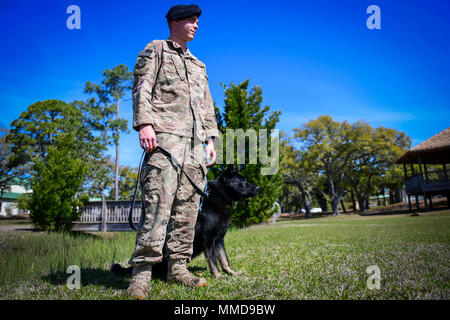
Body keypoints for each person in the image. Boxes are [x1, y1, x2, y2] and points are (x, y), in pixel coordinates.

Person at [126, 4, 220, 299]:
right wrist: (145, 124)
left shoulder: (199, 65)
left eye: (197, 21)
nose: (196, 25)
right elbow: (141, 87)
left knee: (187, 211)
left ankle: (178, 267)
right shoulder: (156, 49)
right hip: (164, 143)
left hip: (194, 148)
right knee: (157, 208)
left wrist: (210, 141)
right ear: (175, 22)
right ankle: (141, 274)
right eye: (191, 20)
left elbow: (207, 106)